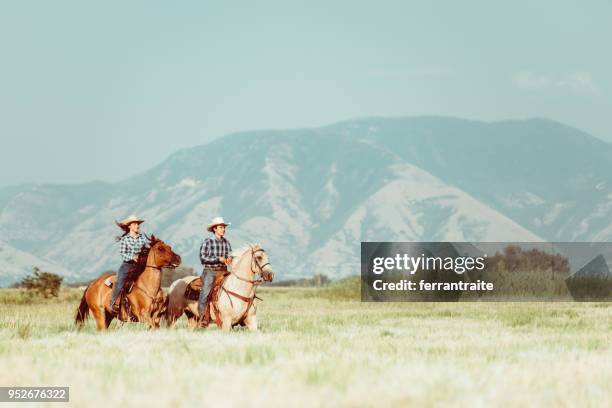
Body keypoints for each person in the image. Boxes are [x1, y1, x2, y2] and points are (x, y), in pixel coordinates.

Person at [198, 216, 233, 326]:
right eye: (221, 227)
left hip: (224, 271)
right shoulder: (207, 242)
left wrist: (229, 259)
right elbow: (203, 258)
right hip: (210, 271)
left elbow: (229, 256)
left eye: (224, 227)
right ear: (214, 229)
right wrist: (218, 259)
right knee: (205, 292)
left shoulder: (227, 243)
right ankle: (203, 317)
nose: (223, 229)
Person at [110, 214, 146, 313]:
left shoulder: (143, 238)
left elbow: (146, 250)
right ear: (129, 226)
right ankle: (114, 303)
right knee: (120, 281)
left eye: (138, 224)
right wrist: (132, 257)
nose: (137, 226)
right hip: (128, 265)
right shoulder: (125, 239)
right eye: (135, 224)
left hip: (141, 265)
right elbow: (123, 254)